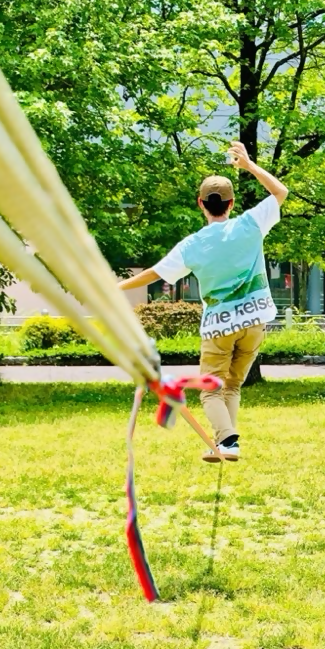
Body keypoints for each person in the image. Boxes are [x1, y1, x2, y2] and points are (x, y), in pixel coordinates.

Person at [118, 141, 288, 463]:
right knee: (233, 385)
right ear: (231, 202)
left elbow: (154, 274)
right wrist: (249, 165)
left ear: (201, 204)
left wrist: (117, 287)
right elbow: (280, 192)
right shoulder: (251, 224)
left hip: (219, 326)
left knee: (212, 389)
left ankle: (228, 441)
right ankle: (228, 444)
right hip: (255, 322)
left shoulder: (192, 245)